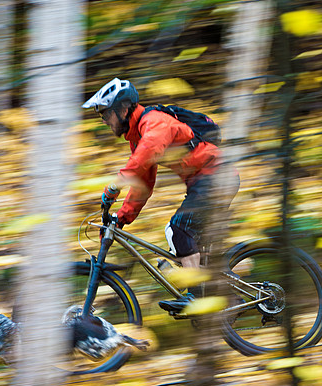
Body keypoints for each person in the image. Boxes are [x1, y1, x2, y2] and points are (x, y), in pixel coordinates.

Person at [82, 78, 237, 313]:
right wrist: (122, 217)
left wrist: (115, 184)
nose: (103, 120)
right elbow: (144, 182)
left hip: (217, 177)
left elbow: (146, 154)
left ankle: (196, 298)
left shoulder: (154, 122)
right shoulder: (138, 137)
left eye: (105, 114)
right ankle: (229, 301)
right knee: (194, 252)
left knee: (178, 231)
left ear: (122, 110)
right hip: (204, 182)